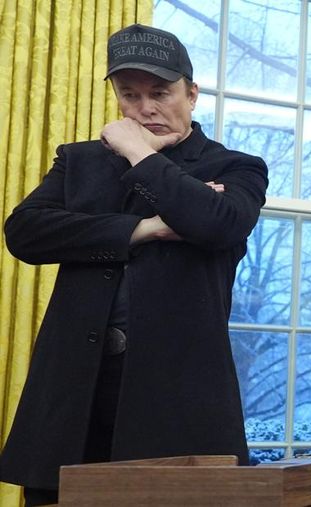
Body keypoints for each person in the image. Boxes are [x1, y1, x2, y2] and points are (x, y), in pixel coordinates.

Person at [0, 24, 268, 505]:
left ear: (192, 93)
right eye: (130, 95)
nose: (145, 108)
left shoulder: (236, 168)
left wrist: (137, 150)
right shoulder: (78, 161)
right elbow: (25, 232)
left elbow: (218, 222)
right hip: (73, 394)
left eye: (161, 93)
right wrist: (143, 229)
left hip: (177, 399)